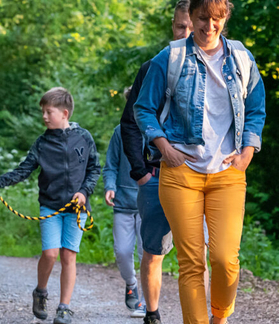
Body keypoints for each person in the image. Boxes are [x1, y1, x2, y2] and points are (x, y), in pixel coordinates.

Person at [133, 0, 266, 322]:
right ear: (191, 17)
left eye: (216, 19)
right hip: (180, 173)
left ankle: (219, 318)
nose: (209, 26)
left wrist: (247, 151)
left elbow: (256, 110)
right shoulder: (171, 58)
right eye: (202, 18)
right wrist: (164, 147)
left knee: (224, 259)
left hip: (228, 173)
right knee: (192, 262)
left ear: (226, 18)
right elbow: (143, 108)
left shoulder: (241, 59)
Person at [0, 87, 101, 324]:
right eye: (42, 111)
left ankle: (64, 307)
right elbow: (23, 170)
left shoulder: (84, 138)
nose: (43, 116)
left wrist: (84, 192)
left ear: (64, 113)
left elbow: (94, 169)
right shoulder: (42, 143)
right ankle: (41, 291)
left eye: (48, 112)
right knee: (50, 253)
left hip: (77, 210)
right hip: (50, 207)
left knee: (68, 256)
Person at [120, 2, 207, 323]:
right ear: (173, 26)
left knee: (197, 255)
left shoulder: (220, 66)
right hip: (156, 175)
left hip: (202, 176)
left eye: (190, 26)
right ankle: (152, 313)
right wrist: (139, 172)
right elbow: (130, 122)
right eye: (180, 27)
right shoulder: (156, 66)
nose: (186, 33)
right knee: (153, 251)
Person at [103, 93, 144, 317]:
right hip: (123, 202)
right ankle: (131, 283)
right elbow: (110, 166)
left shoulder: (156, 131)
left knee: (148, 254)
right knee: (123, 251)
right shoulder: (120, 132)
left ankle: (147, 302)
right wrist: (110, 186)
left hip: (149, 203)